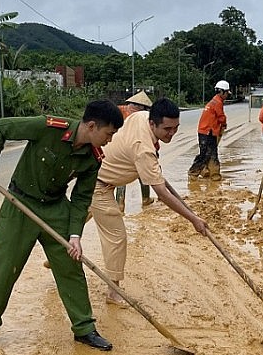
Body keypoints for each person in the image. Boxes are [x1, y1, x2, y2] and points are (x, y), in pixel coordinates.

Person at [0, 99, 125, 353]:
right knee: (4, 267)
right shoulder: (48, 127)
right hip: (20, 203)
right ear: (91, 126)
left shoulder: (93, 158)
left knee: (71, 268)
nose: (110, 139)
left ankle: (84, 328)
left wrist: (75, 234)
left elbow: (80, 199)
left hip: (56, 208)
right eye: (109, 134)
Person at [90, 97, 209, 304]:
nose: (171, 133)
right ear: (152, 123)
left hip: (97, 175)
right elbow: (162, 194)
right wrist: (194, 219)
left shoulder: (142, 117)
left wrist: (155, 169)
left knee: (74, 222)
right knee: (117, 237)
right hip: (98, 186)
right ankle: (113, 291)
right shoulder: (143, 149)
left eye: (175, 128)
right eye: (167, 129)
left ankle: (58, 256)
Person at [116, 90, 153, 210]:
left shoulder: (120, 110)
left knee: (121, 176)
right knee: (143, 175)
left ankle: (120, 203)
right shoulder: (144, 117)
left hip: (120, 149)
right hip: (137, 149)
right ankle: (146, 199)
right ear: (142, 107)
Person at [188, 79, 230, 180]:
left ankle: (214, 173)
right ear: (221, 92)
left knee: (212, 153)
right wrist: (224, 124)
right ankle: (193, 173)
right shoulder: (217, 102)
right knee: (205, 154)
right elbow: (221, 117)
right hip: (206, 132)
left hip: (209, 131)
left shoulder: (215, 101)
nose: (227, 95)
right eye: (226, 93)